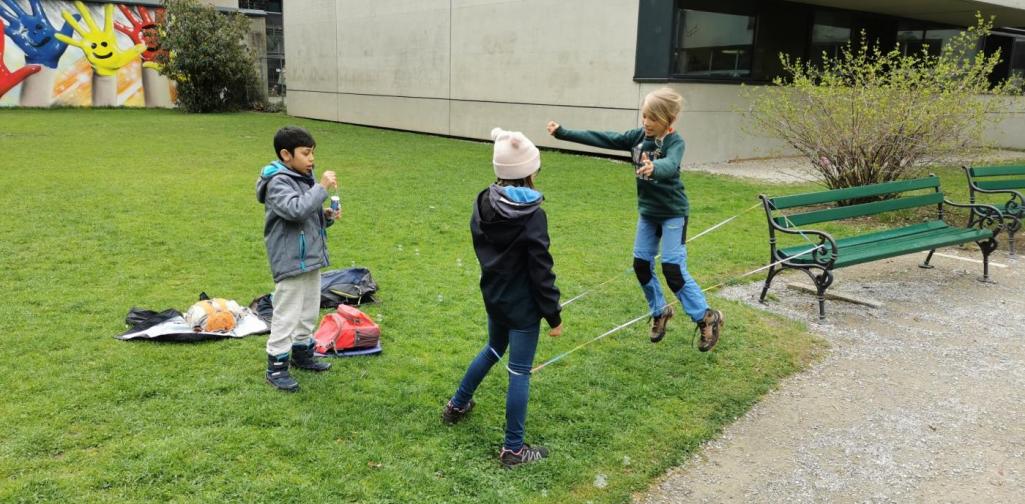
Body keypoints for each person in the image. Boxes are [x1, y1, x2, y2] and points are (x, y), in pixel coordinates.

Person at [546, 87, 724, 351]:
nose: (646, 122)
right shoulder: (639, 137)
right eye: (644, 116)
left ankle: (706, 317)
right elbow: (603, 138)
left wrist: (656, 167)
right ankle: (660, 311)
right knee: (641, 265)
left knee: (672, 269)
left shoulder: (675, 142)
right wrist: (563, 132)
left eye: (653, 118)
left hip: (673, 213)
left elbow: (671, 164)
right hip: (649, 213)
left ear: (668, 120)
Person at [442, 127, 563, 468]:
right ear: (529, 172)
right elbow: (542, 270)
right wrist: (553, 315)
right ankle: (513, 450)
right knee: (519, 371)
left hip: (494, 296)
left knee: (494, 348)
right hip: (522, 306)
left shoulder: (483, 201)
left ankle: (457, 405)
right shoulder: (533, 216)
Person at [255, 126, 340, 392]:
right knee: (287, 313)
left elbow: (307, 217)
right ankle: (277, 366)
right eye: (306, 153)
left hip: (309, 258)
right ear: (286, 154)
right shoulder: (277, 182)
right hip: (290, 259)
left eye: (313, 152)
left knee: (308, 310)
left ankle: (303, 353)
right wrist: (322, 187)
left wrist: (325, 217)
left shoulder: (302, 176)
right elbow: (295, 210)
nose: (312, 159)